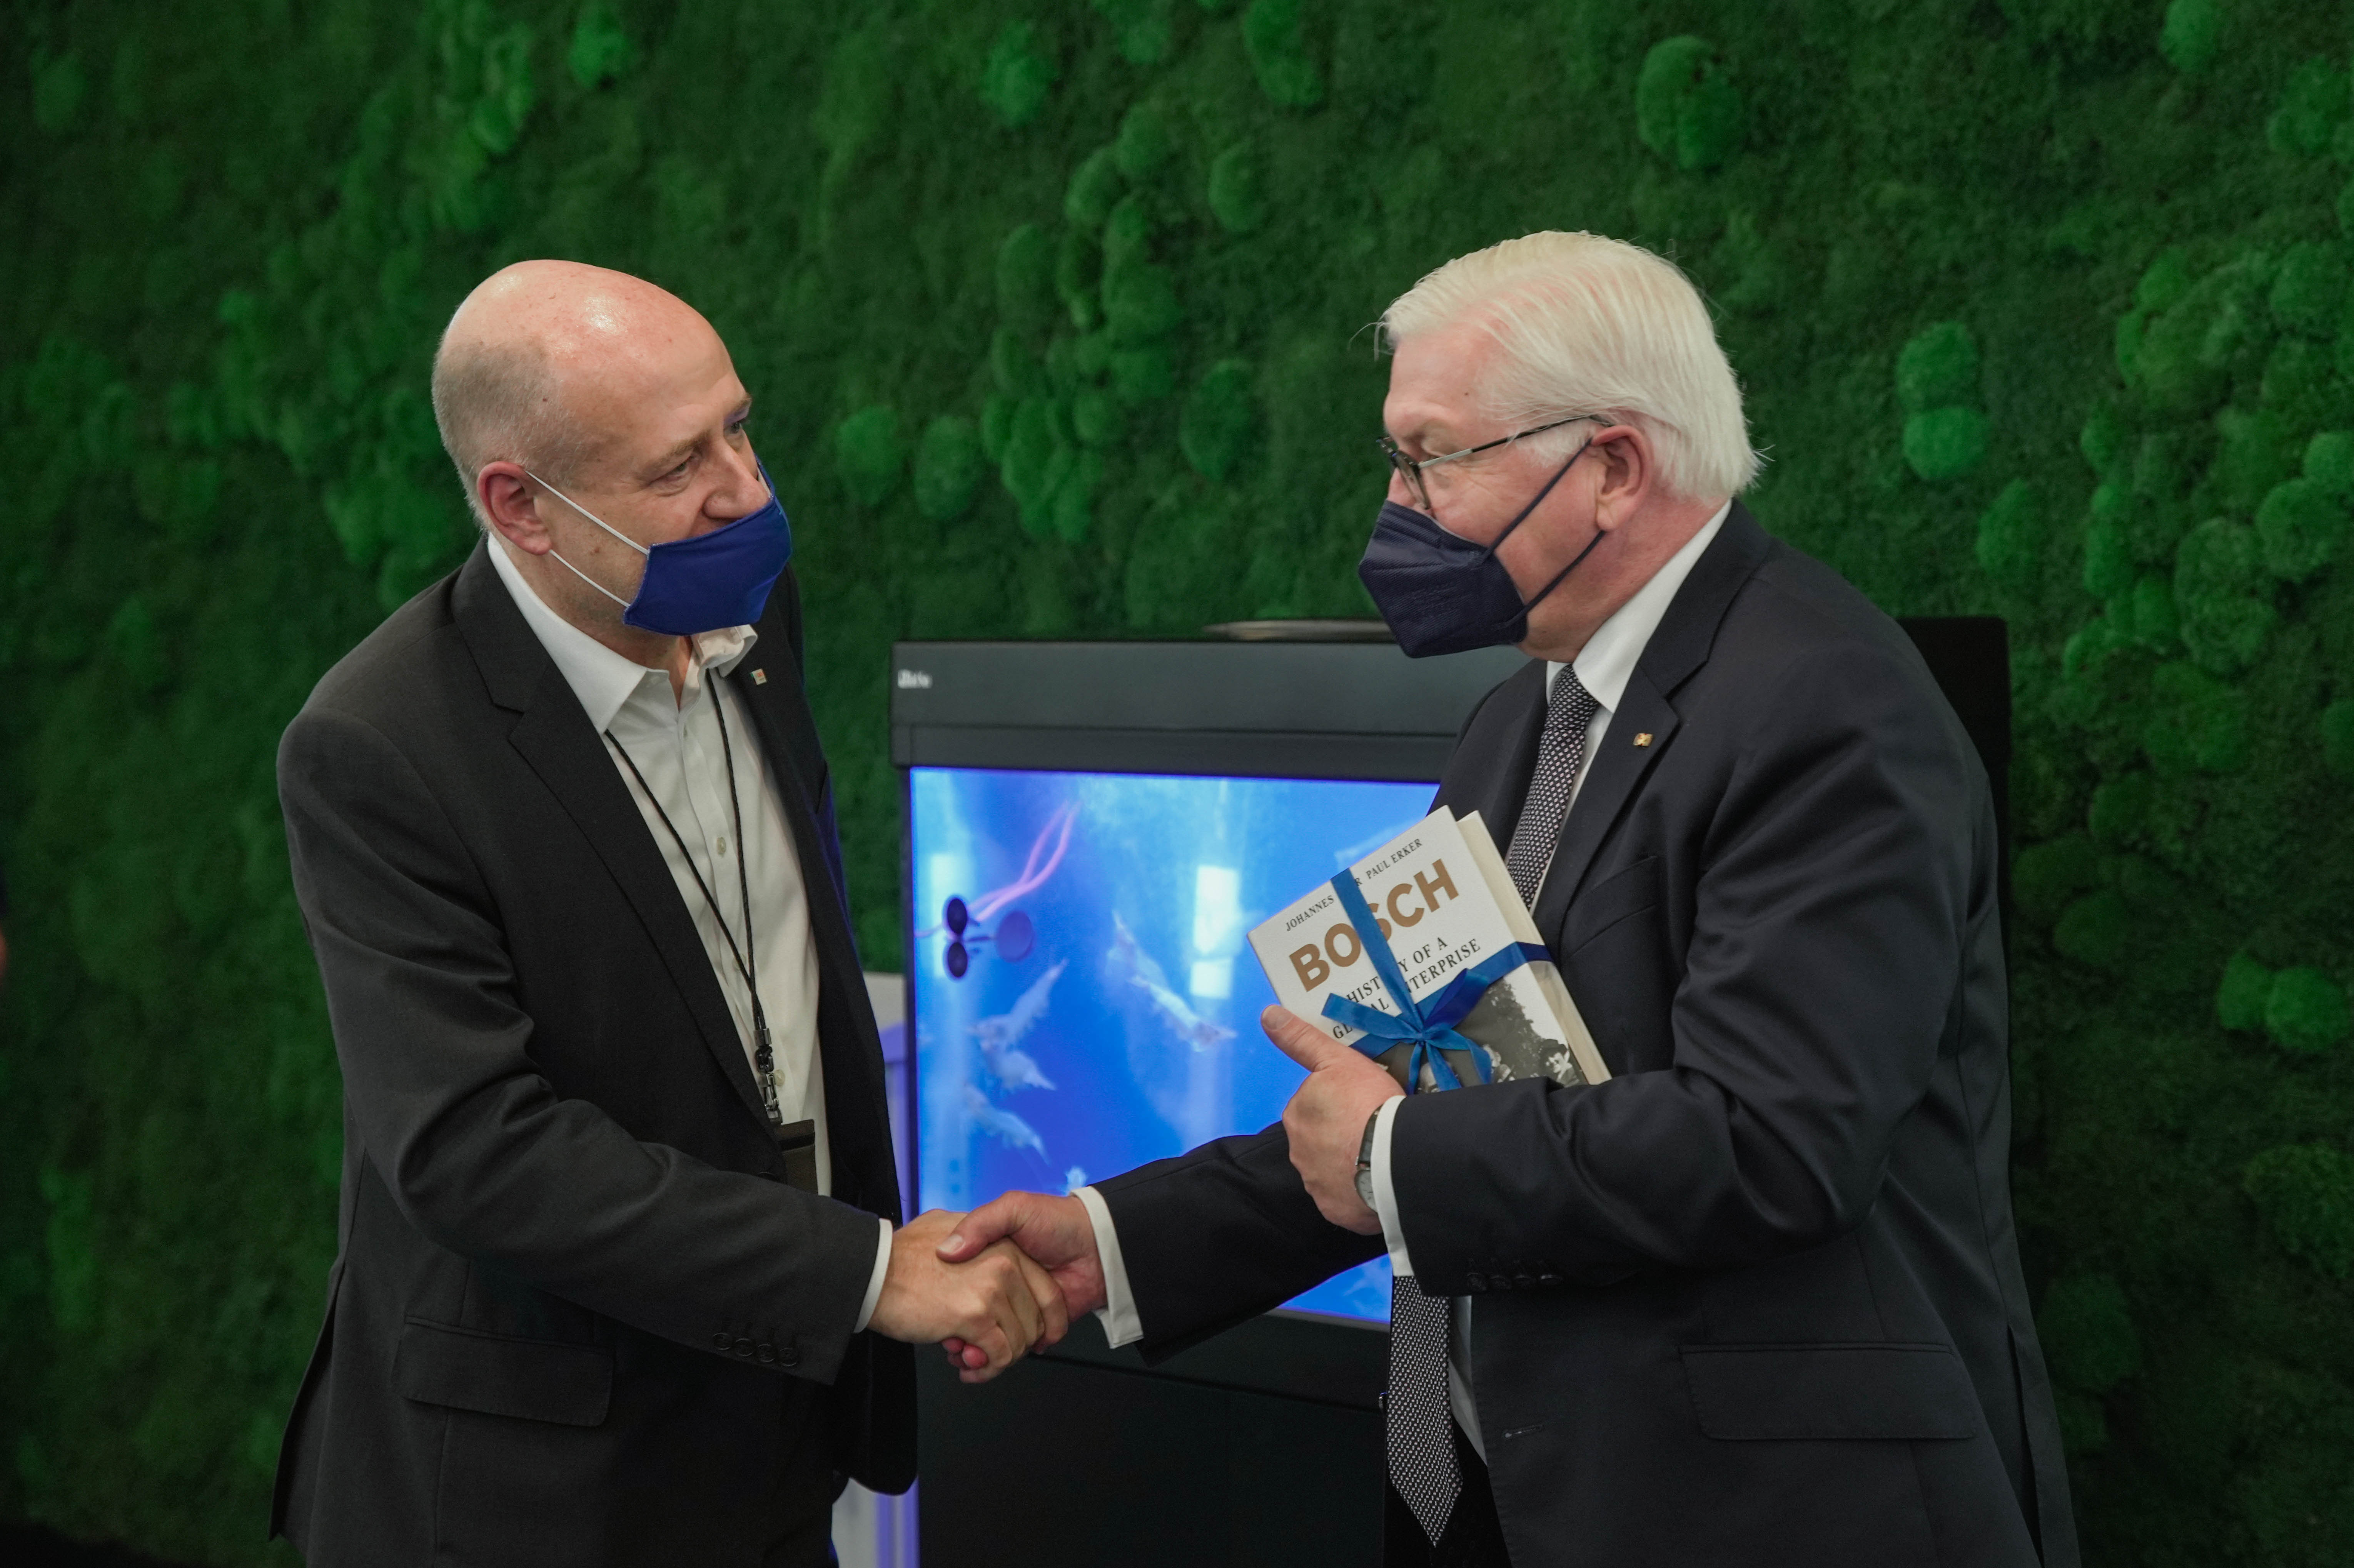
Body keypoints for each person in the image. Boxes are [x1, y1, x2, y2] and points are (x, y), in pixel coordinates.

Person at [942, 232, 2079, 1568]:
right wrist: (1111, 1240)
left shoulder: (1827, 705)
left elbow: (1774, 1141)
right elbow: (1413, 1093)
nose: (1400, 502)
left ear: (1611, 467)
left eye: (1437, 455)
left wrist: (1386, 1155)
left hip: (1769, 1517)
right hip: (1528, 1496)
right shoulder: (1517, 721)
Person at [270, 260, 1065, 1567]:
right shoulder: (378, 746)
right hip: (538, 1487)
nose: (746, 491)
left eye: (741, 427)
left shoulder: (743, 605)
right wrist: (868, 1271)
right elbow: (476, 1149)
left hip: (774, 1434)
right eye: (677, 466)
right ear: (521, 505)